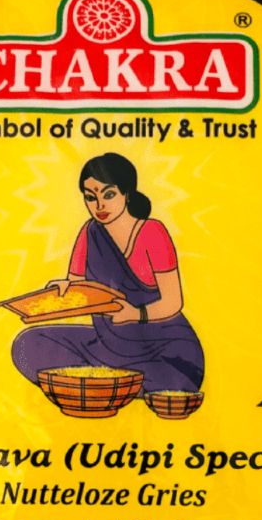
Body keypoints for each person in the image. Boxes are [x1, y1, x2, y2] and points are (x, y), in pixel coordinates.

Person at [11, 153, 204, 394]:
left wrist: (136, 314)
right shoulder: (89, 232)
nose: (99, 206)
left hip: (162, 349)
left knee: (177, 382)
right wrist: (66, 288)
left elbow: (173, 302)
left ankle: (102, 383)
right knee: (27, 345)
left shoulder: (151, 231)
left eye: (109, 195)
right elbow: (80, 289)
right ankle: (111, 383)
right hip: (109, 345)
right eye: (91, 198)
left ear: (127, 194)